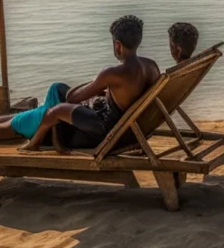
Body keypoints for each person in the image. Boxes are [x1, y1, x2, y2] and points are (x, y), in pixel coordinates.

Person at [18, 15, 160, 153]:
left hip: (106, 129)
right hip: (128, 128)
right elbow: (133, 95)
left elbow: (72, 97)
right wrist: (104, 88)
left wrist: (97, 81)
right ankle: (54, 137)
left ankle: (34, 143)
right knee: (68, 93)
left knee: (56, 110)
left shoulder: (113, 73)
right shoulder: (151, 66)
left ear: (118, 45)